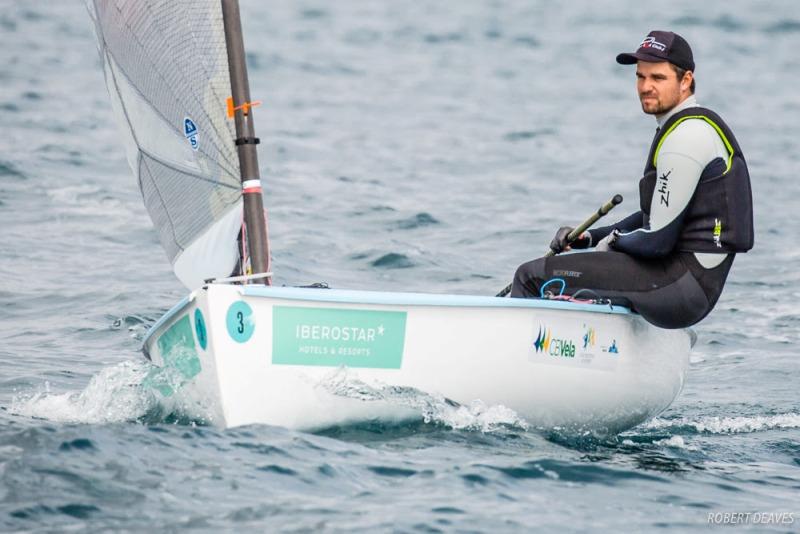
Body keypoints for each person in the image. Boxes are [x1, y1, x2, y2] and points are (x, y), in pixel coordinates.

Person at [510, 30, 754, 329]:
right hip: (686, 285)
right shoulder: (691, 126)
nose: (646, 87)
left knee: (532, 276)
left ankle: (522, 362)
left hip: (677, 286)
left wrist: (612, 242)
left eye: (658, 78)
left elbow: (657, 241)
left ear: (686, 80)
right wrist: (591, 238)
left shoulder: (687, 137)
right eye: (641, 77)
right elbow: (656, 216)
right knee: (575, 273)